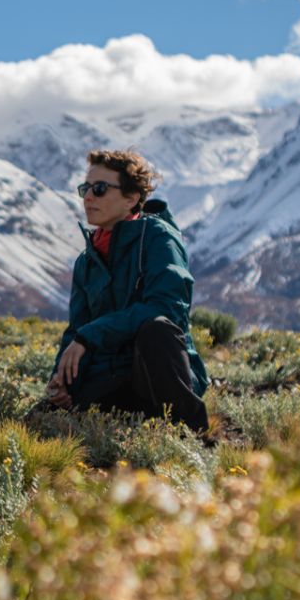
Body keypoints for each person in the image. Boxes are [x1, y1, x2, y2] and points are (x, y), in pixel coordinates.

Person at [45, 149, 210, 434]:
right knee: (40, 421)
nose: (88, 197)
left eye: (99, 189)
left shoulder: (158, 239)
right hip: (109, 378)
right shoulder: (86, 261)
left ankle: (190, 435)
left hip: (156, 378)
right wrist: (59, 376)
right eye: (86, 188)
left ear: (131, 198)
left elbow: (166, 308)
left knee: (156, 330)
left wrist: (90, 336)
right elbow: (77, 330)